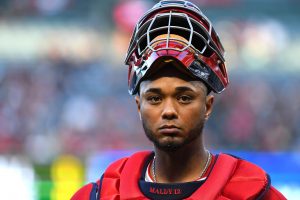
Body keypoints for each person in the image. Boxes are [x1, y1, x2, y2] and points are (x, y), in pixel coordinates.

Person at [71, 1, 286, 199]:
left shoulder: (256, 195)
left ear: (208, 105)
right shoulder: (99, 195)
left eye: (184, 97)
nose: (169, 111)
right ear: (139, 106)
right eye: (154, 98)